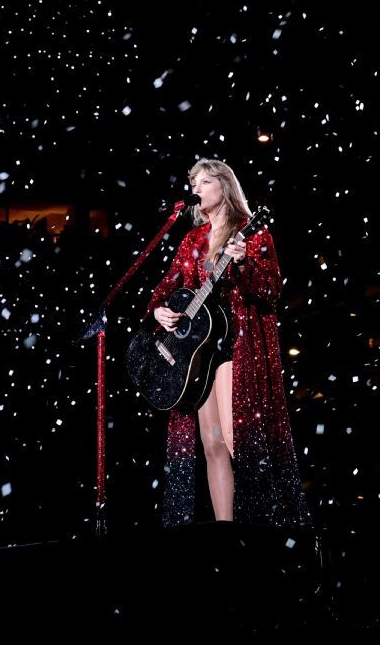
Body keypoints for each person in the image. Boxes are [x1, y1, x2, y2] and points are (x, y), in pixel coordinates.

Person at [142, 159, 312, 529]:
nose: (197, 190)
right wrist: (159, 312)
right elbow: (167, 287)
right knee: (211, 444)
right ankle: (225, 531)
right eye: (194, 183)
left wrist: (246, 261)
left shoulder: (251, 234)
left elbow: (271, 289)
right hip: (199, 353)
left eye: (203, 182)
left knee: (242, 441)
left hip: (236, 342)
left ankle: (262, 528)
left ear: (224, 186)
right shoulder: (191, 239)